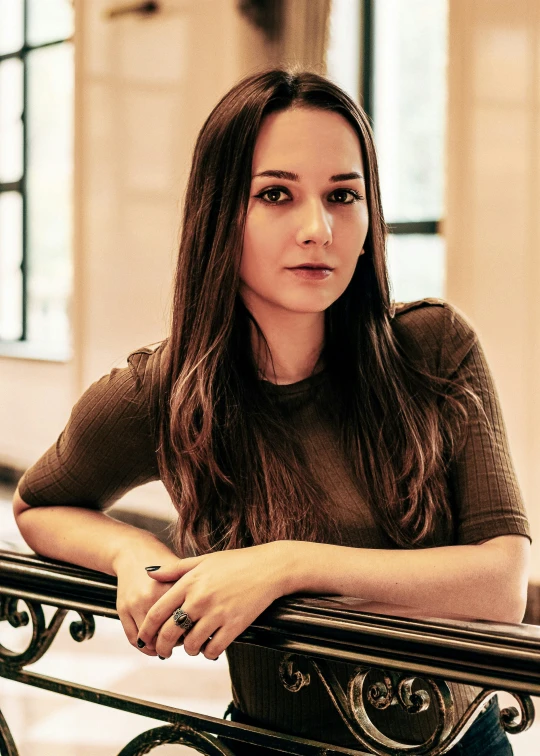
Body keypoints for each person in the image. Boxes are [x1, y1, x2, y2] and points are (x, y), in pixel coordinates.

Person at [13, 69, 530, 755]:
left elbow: (500, 586)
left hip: (459, 743)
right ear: (221, 211)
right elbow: (39, 505)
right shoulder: (163, 390)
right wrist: (131, 551)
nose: (318, 228)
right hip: (272, 744)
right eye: (276, 194)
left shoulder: (433, 348)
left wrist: (286, 565)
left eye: (343, 195)